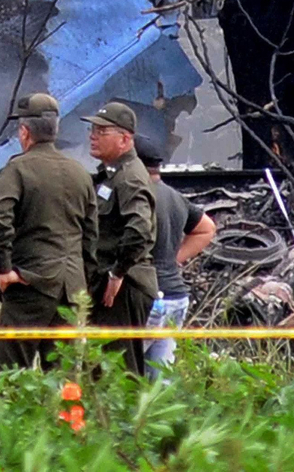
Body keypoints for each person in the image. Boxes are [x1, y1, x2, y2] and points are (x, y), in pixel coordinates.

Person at [0, 94, 99, 369]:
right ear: (55, 130)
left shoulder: (18, 169)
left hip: (29, 284)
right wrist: (82, 280)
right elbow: (91, 235)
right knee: (64, 379)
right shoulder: (81, 173)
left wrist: (3, 269)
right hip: (71, 290)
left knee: (9, 375)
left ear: (24, 132)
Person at [84, 101, 157, 375]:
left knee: (118, 371)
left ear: (125, 139)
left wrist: (117, 273)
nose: (93, 135)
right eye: (93, 129)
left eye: (102, 131)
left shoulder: (129, 177)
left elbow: (139, 230)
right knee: (102, 368)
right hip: (112, 283)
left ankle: (127, 419)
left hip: (125, 286)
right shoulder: (111, 175)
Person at [138, 142, 215, 378]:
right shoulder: (175, 196)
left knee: (125, 372)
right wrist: (174, 259)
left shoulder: (138, 197)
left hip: (148, 296)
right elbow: (207, 228)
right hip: (176, 297)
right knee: (161, 379)